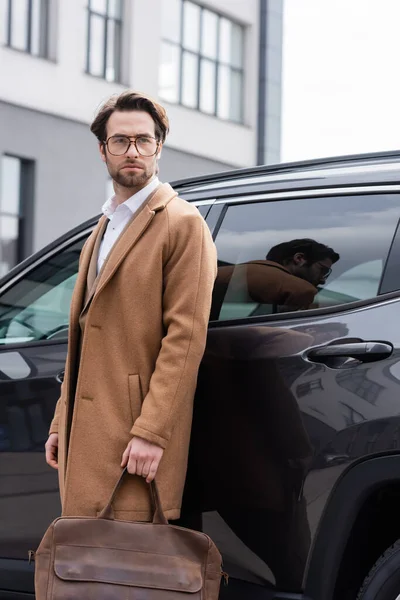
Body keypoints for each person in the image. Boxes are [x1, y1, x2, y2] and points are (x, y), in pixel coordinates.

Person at [44, 91, 217, 522]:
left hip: (133, 439)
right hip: (86, 433)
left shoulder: (183, 224)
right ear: (103, 150)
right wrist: (60, 420)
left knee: (128, 570)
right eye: (120, 141)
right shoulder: (104, 226)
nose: (133, 151)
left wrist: (152, 432)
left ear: (159, 146)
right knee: (83, 570)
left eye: (144, 140)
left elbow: (186, 339)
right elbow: (84, 337)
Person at [211, 238, 339, 319]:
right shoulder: (301, 290)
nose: (323, 280)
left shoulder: (215, 274)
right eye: (323, 270)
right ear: (299, 259)